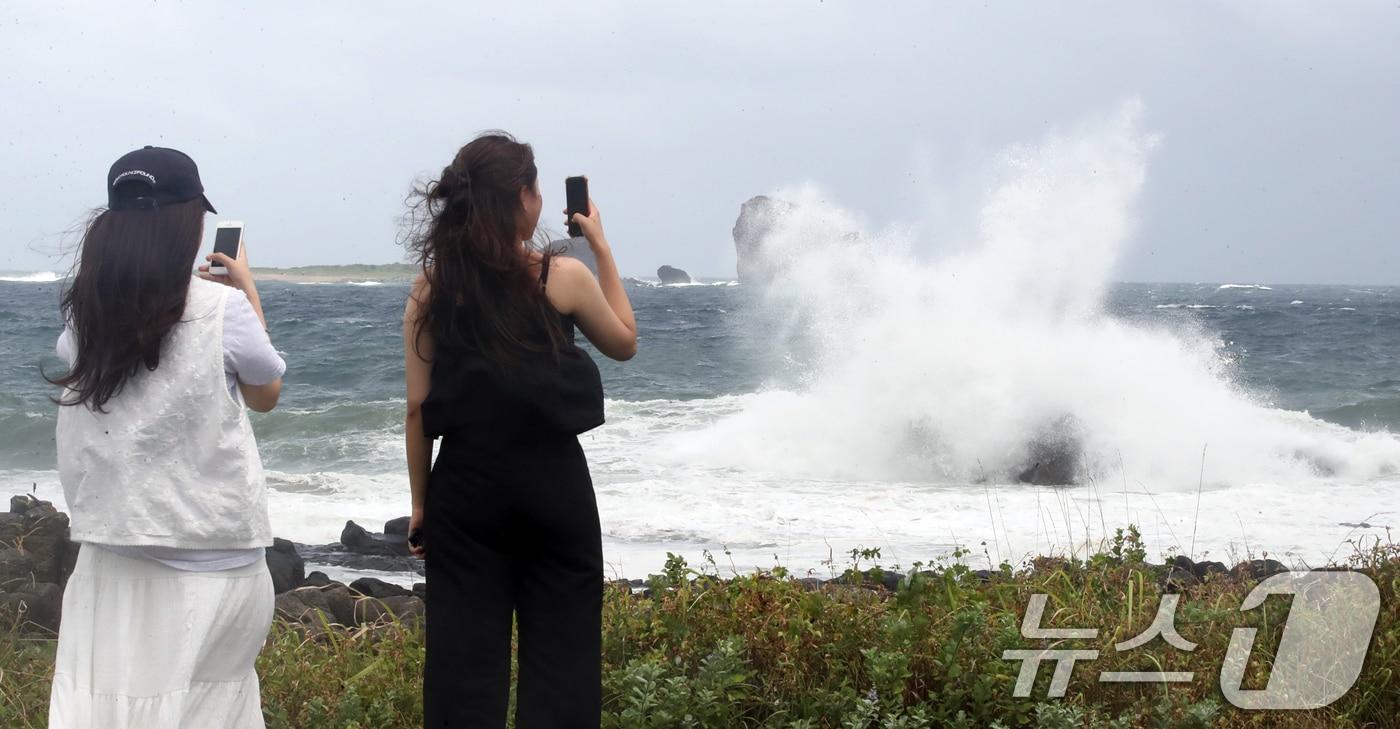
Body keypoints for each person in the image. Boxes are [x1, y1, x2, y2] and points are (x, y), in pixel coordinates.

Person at [402, 131, 637, 728]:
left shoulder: (432, 288)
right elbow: (624, 343)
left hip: (465, 490)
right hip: (552, 488)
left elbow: (416, 409)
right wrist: (601, 250)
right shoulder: (561, 276)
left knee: (462, 673)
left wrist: (420, 507)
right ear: (526, 199)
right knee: (563, 666)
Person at [47, 146, 285, 728]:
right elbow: (265, 391)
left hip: (114, 550)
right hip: (218, 555)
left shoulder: (84, 318)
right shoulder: (222, 308)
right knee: (209, 709)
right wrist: (247, 289)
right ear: (188, 222)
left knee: (108, 709)